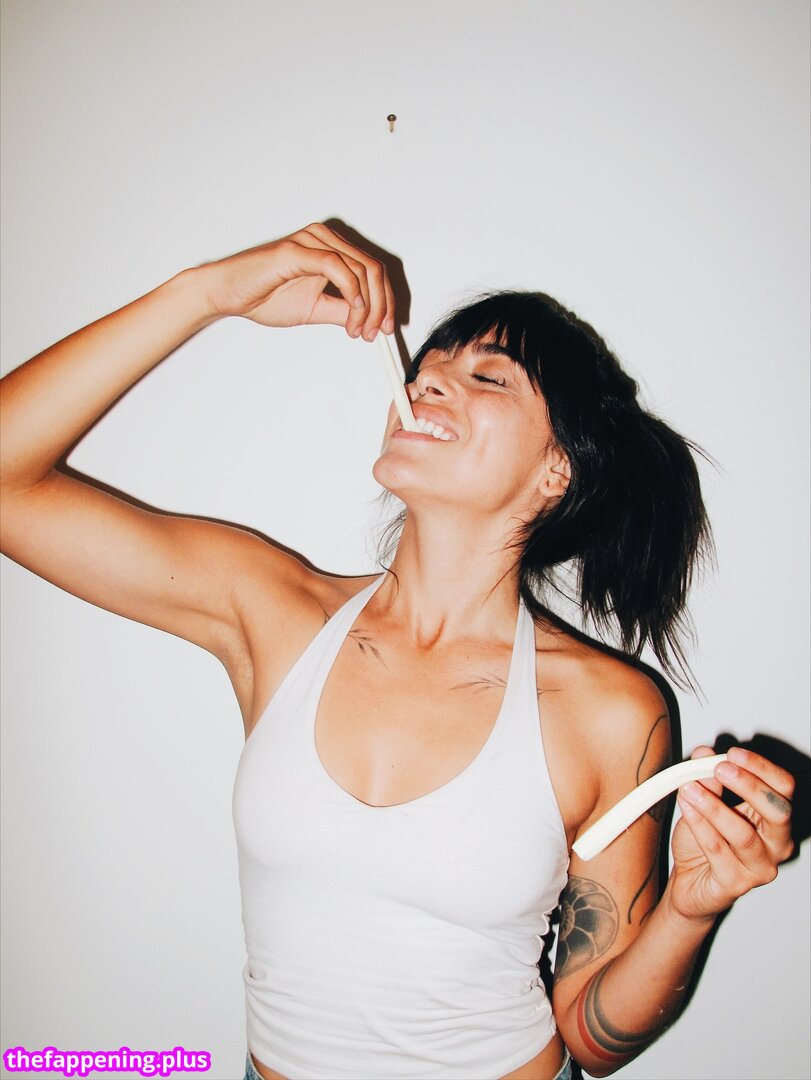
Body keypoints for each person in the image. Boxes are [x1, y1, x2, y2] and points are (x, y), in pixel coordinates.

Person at [0, 223, 794, 1080]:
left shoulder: (608, 711)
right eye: (428, 366)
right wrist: (205, 293)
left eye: (487, 376)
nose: (428, 380)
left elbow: (594, 1039)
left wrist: (689, 910)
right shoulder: (276, 614)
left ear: (556, 471)